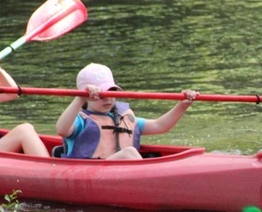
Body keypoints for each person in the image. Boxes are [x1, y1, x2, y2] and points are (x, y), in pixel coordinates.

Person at [55, 63, 198, 159]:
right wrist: (79, 99)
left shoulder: (124, 117)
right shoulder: (80, 120)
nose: (108, 99)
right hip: (90, 172)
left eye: (112, 92)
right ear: (86, 96)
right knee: (129, 153)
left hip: (122, 172)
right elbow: (61, 129)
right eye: (101, 95)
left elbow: (160, 126)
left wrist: (182, 105)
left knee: (129, 153)